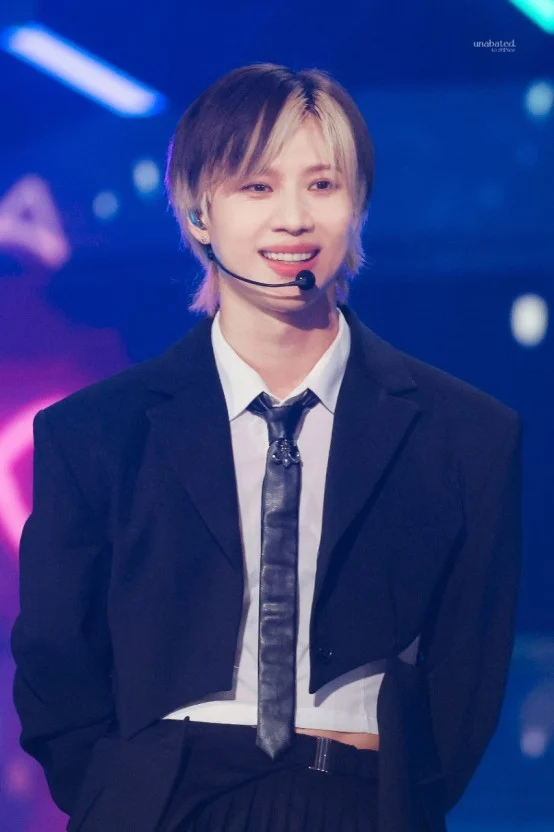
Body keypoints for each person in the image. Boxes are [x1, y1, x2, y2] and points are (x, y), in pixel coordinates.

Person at [11, 63, 523, 832]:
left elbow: (466, 687)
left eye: (322, 185)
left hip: (361, 801)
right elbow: (57, 671)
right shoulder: (96, 434)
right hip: (160, 804)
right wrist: (122, 795)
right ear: (198, 211)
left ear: (358, 207)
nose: (293, 219)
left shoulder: (465, 436)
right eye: (257, 186)